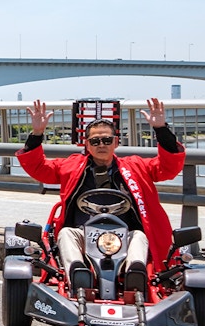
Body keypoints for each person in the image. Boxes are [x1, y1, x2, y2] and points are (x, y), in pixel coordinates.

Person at [16, 98, 186, 294]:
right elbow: (38, 168)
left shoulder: (136, 166)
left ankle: (135, 277)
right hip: (82, 234)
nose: (101, 145)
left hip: (125, 235)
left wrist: (161, 130)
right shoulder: (71, 166)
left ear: (116, 142)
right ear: (87, 144)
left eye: (106, 140)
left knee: (139, 235)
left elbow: (168, 168)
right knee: (65, 234)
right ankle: (78, 275)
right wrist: (37, 134)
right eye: (95, 141)